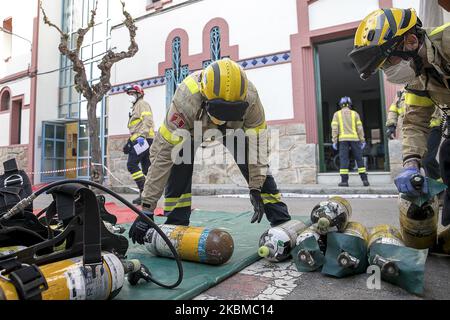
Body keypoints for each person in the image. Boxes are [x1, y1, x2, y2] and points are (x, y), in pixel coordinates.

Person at [129, 59, 292, 245]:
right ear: (205, 98)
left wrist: (255, 187)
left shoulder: (251, 99)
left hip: (234, 127)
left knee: (250, 159)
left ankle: (280, 217)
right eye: (219, 115)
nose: (220, 123)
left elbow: (258, 151)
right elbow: (162, 156)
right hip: (193, 126)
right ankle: (176, 221)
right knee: (179, 159)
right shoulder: (185, 101)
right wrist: (147, 209)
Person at [349, 7, 450, 225]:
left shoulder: (448, 43)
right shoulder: (418, 76)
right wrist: (411, 163)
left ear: (411, 41)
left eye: (387, 63)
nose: (387, 72)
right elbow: (415, 123)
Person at [124, 84, 155, 205]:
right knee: (146, 168)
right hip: (142, 140)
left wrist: (142, 136)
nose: (130, 96)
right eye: (130, 94)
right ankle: (145, 196)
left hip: (143, 140)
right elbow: (136, 127)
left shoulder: (142, 104)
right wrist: (129, 142)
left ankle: (144, 191)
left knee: (131, 164)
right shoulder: (136, 106)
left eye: (132, 94)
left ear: (139, 94)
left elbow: (148, 120)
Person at [331, 96, 370, 187]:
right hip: (355, 139)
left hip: (343, 140)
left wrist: (334, 140)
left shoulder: (337, 114)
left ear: (341, 105)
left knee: (344, 159)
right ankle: (365, 180)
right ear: (350, 105)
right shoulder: (355, 114)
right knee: (359, 159)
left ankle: (344, 181)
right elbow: (360, 129)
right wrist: (362, 140)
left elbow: (334, 129)